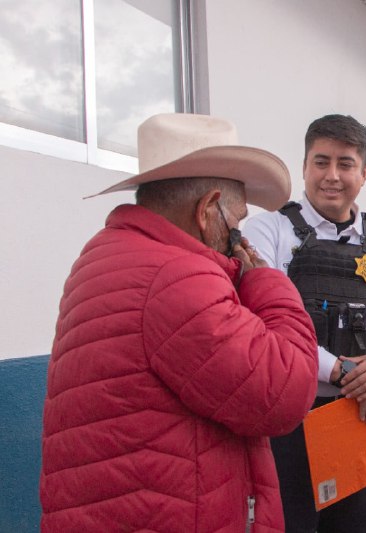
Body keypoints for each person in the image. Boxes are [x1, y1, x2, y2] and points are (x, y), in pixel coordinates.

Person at [39, 113, 319, 533]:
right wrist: (266, 281)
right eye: (237, 225)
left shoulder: (107, 254)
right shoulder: (178, 276)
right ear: (207, 211)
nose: (241, 242)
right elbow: (286, 392)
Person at [243, 113, 366, 533]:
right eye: (321, 162)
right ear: (305, 166)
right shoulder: (266, 232)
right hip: (290, 421)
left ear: (364, 173)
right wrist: (342, 370)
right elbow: (264, 325)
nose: (332, 175)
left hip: (362, 418)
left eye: (345, 164)